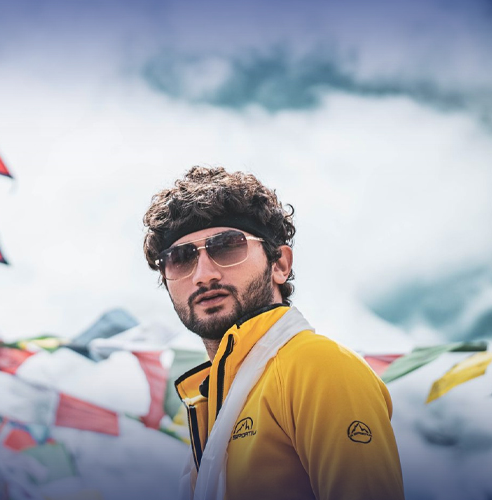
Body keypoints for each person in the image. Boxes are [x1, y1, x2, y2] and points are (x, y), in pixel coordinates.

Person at [142, 167, 404, 500]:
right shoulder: (214, 407)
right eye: (180, 258)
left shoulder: (317, 366)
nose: (203, 275)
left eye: (226, 246)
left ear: (279, 264)